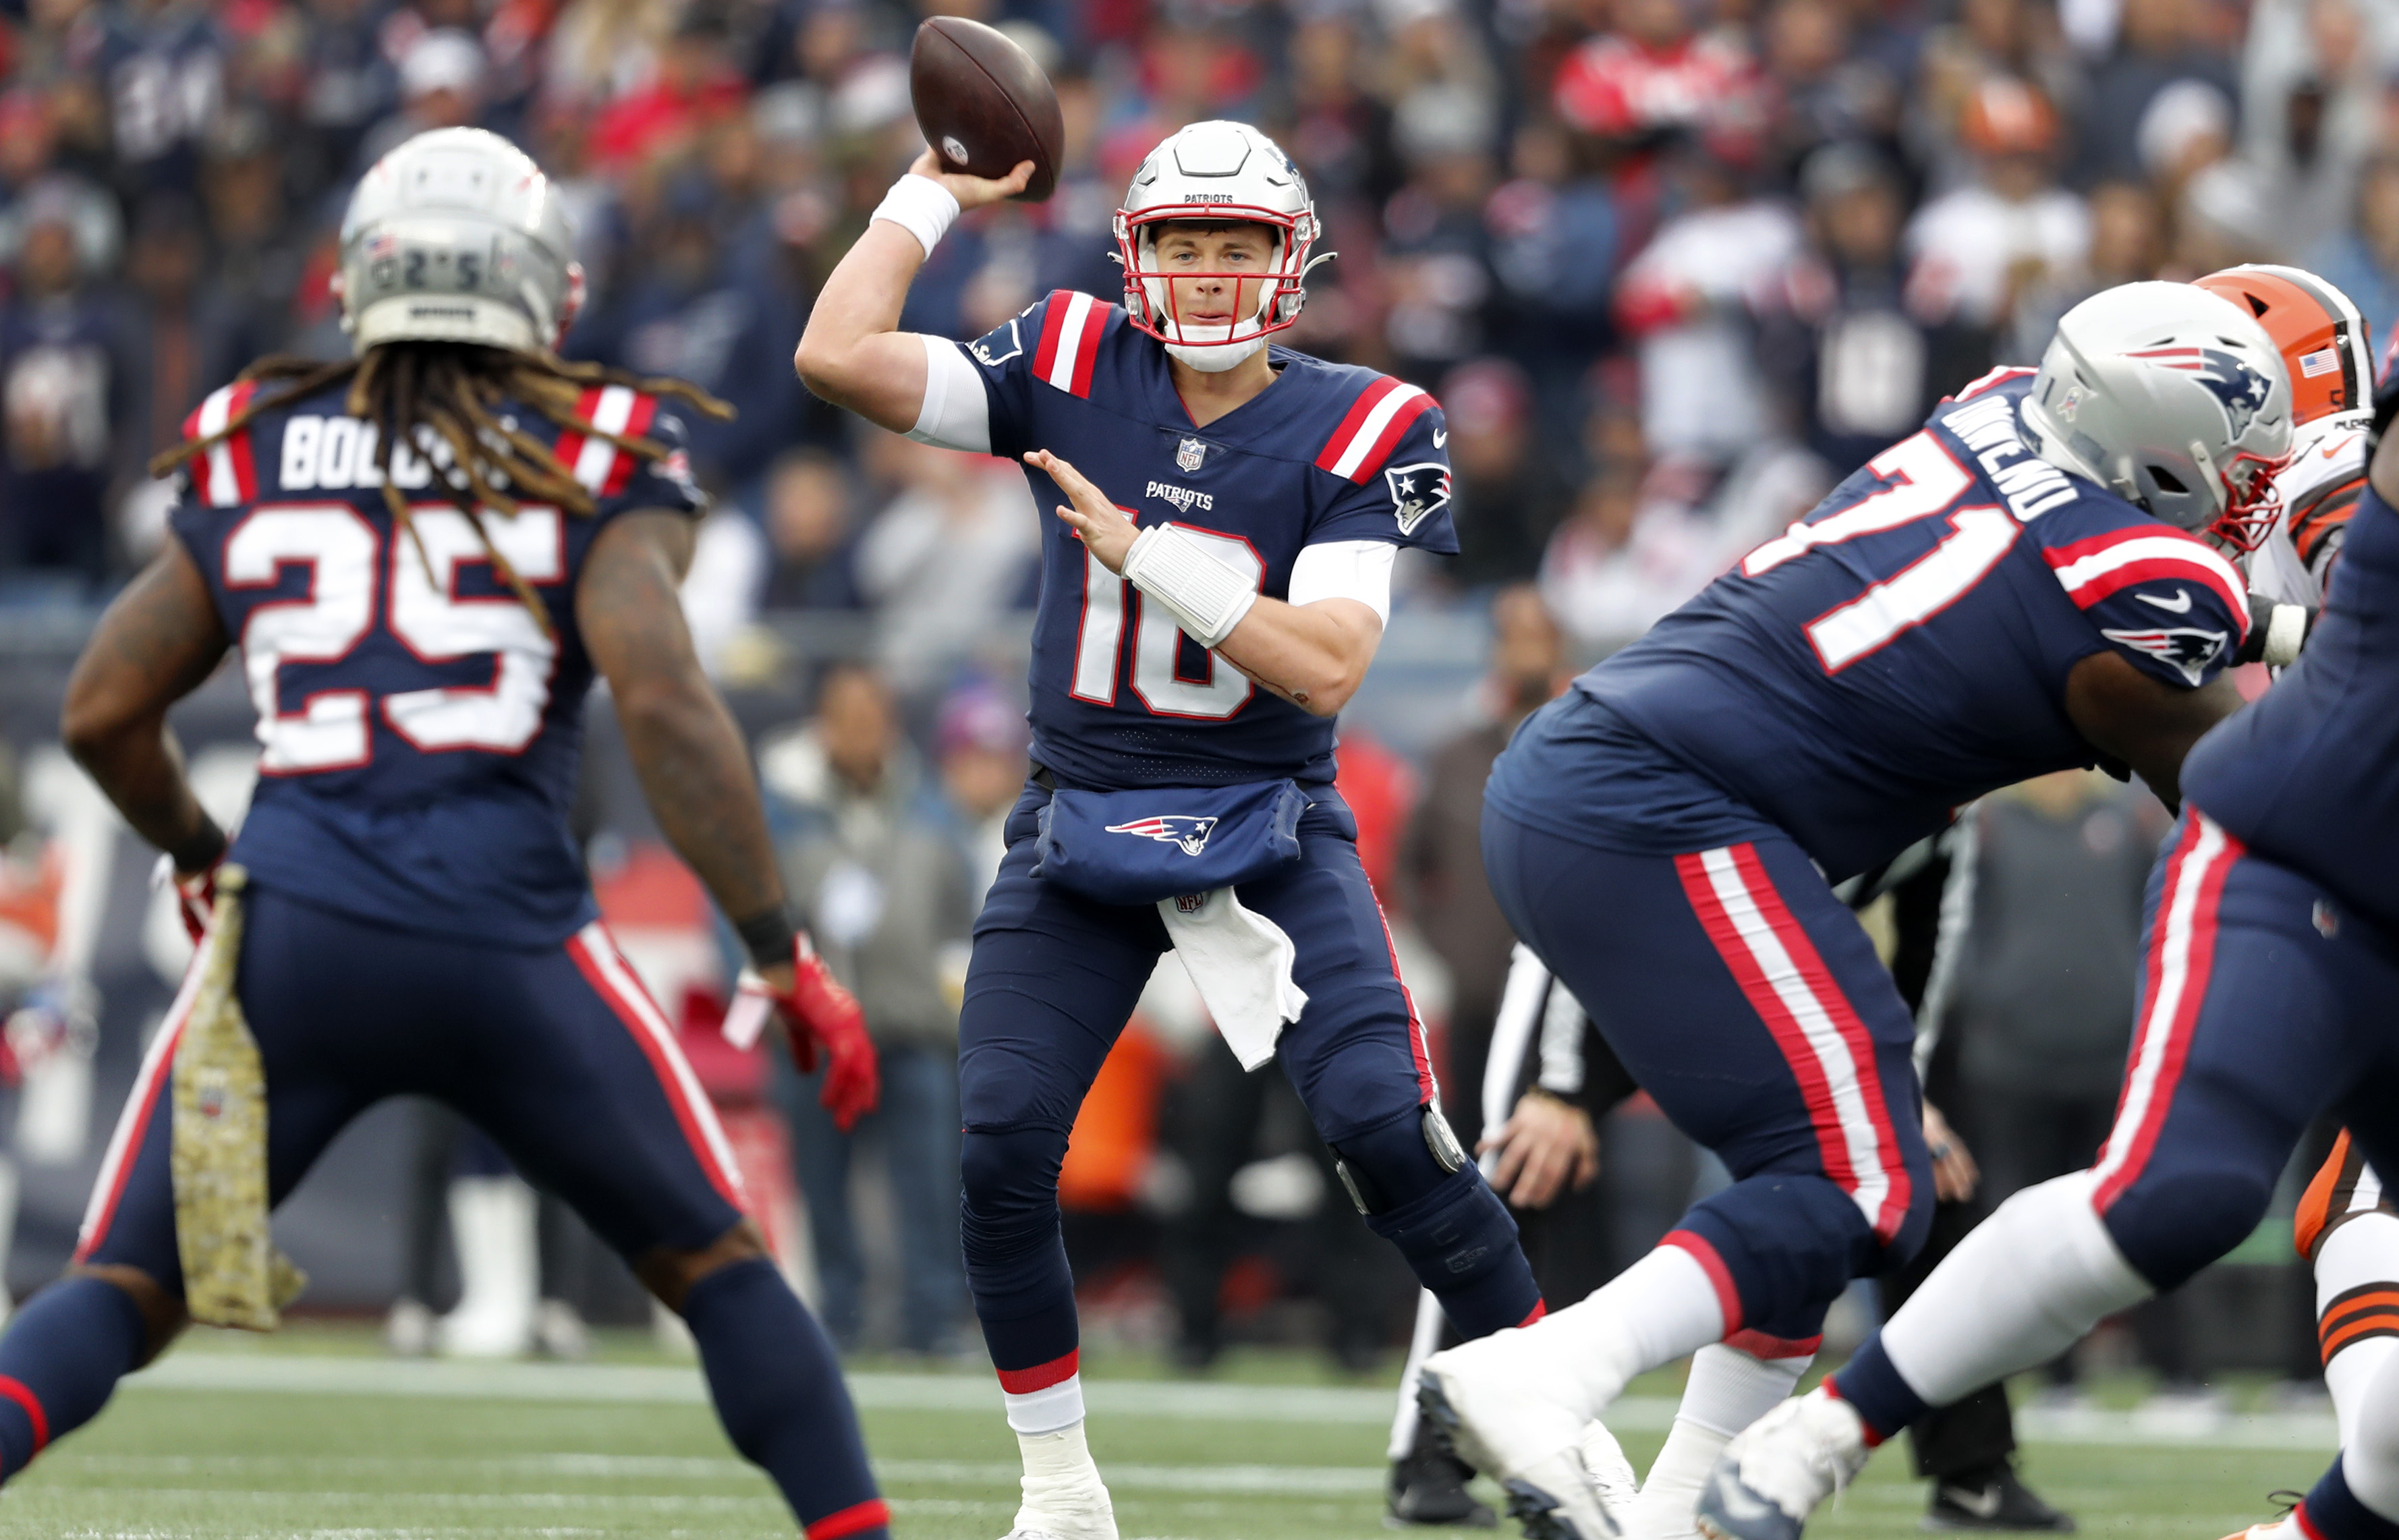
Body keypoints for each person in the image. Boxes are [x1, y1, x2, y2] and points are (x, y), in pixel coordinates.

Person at [9, 128, 891, 1540]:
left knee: (120, 1290)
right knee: (719, 1265)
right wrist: (782, 953)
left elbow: (106, 707)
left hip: (290, 937)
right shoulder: (592, 437)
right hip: (511, 940)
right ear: (543, 287)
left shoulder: (261, 432)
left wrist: (191, 845)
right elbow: (663, 705)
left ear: (364, 280)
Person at [1415, 279, 2293, 1540]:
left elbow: (2078, 565)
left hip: (1607, 775)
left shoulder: (1994, 408)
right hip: (1668, 806)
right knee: (1864, 1180)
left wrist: (2298, 623)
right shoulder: (2144, 585)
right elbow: (2259, 778)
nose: (2248, 489)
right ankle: (1549, 1368)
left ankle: (1680, 1520)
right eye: (2233, 460)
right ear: (2155, 448)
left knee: (1811, 1177)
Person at [795, 118, 1544, 1540]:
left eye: (1238, 242)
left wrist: (1147, 553)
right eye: (1184, 241)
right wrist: (923, 194)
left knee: (1388, 1134)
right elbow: (836, 355)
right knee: (1001, 1143)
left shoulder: (1364, 416)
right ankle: (1062, 1492)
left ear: (1292, 257)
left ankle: (1557, 1437)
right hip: (1079, 817)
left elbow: (1324, 664)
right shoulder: (1071, 356)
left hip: (1267, 823)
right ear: (1136, 255)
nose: (1209, 271)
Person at [1694, 333, 2399, 1540]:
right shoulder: (2344, 466)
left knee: (2392, 1442)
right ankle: (1822, 1433)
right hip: (2299, 861)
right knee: (2178, 1195)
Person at [765, 662, 976, 1356]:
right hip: (818, 1036)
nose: (861, 729)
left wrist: (954, 1004)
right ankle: (842, 1318)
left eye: (872, 713)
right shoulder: (785, 809)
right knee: (822, 1188)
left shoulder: (929, 806)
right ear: (821, 723)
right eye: (846, 714)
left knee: (929, 1183)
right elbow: (751, 915)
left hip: (911, 1026)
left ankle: (930, 1318)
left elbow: (960, 916)